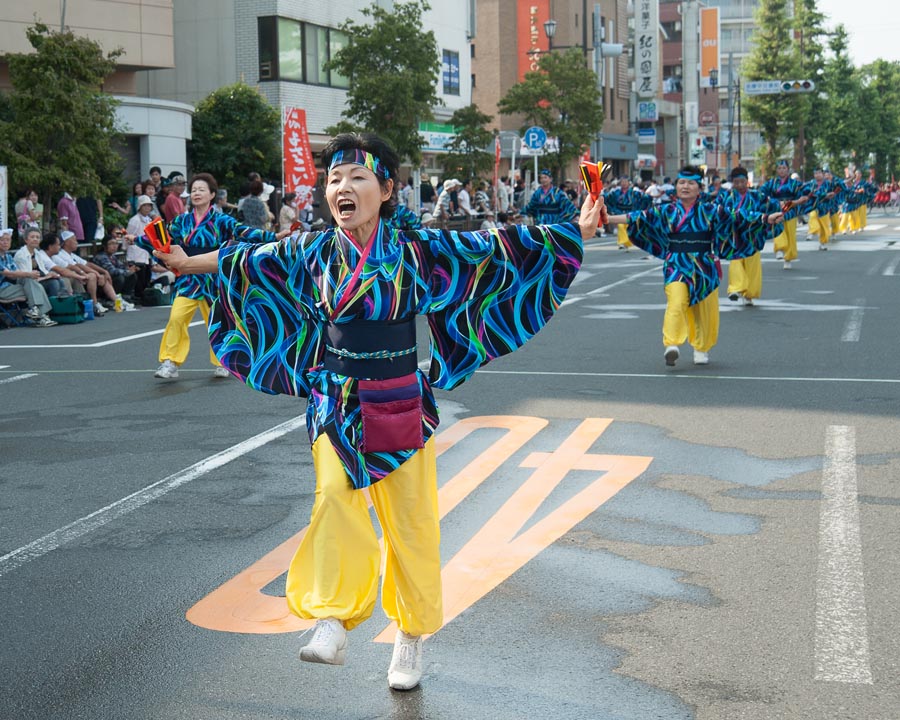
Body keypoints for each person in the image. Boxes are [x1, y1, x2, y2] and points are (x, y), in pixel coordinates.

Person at [154, 132, 601, 691]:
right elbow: (245, 260)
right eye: (334, 179)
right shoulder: (312, 248)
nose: (342, 187)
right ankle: (334, 616)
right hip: (334, 396)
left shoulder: (418, 250)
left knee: (409, 524)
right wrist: (186, 261)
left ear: (386, 189)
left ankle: (411, 636)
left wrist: (572, 232)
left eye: (357, 178)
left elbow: (501, 247)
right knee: (333, 501)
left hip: (397, 398)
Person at [601, 165, 782, 366]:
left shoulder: (711, 210)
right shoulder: (666, 210)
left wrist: (766, 218)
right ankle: (671, 344)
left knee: (704, 311)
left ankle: (701, 348)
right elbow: (637, 217)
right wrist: (607, 218)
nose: (685, 186)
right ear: (676, 186)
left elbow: (739, 217)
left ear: (699, 187)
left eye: (690, 183)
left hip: (704, 266)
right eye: (681, 182)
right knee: (676, 302)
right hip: (676, 264)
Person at [135, 173, 279, 380]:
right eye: (193, 190)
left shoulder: (221, 220)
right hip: (189, 278)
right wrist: (137, 239)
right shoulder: (182, 221)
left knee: (218, 322)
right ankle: (170, 361)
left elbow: (243, 231)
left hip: (213, 277)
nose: (196, 193)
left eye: (201, 189)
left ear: (212, 194)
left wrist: (273, 237)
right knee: (176, 317)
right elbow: (160, 237)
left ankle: (222, 361)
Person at [717, 167, 782, 306]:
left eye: (742, 181)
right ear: (732, 183)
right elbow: (717, 212)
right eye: (736, 182)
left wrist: (778, 211)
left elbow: (772, 206)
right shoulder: (725, 196)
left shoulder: (757, 196)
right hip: (734, 234)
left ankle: (749, 294)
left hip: (753, 233)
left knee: (753, 264)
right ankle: (735, 289)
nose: (740, 185)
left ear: (747, 181)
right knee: (735, 260)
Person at [758, 160, 809, 269]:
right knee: (778, 228)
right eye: (780, 168)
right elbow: (761, 193)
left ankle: (788, 258)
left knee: (790, 234)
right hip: (777, 208)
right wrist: (772, 202)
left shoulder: (794, 183)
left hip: (790, 209)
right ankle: (779, 248)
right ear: (777, 170)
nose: (782, 170)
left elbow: (805, 192)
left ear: (788, 170)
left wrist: (799, 200)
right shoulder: (771, 183)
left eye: (784, 168)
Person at [0, 228, 57, 326]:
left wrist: (29, 275)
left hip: (11, 287)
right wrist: (29, 274)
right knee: (33, 284)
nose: (5, 242)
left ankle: (36, 311)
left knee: (31, 282)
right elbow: (8, 274)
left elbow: (17, 272)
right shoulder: (19, 254)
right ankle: (41, 314)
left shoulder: (8, 257)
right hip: (2, 289)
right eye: (2, 240)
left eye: (8, 240)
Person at [55, 231, 114, 313]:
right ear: (66, 242)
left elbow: (87, 264)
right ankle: (94, 303)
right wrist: (94, 273)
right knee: (92, 275)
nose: (77, 242)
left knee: (102, 276)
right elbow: (76, 266)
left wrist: (104, 271)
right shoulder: (60, 254)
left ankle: (116, 300)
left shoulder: (72, 254)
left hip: (77, 276)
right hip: (70, 276)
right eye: (74, 240)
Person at [13, 228, 67, 298]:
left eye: (37, 237)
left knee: (60, 280)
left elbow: (43, 270)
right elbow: (28, 276)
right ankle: (53, 306)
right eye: (32, 237)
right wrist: (46, 277)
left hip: (39, 279)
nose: (35, 239)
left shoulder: (37, 253)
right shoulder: (21, 255)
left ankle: (63, 303)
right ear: (26, 240)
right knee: (53, 283)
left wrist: (49, 274)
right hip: (28, 282)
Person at [603, 177, 650, 250]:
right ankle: (622, 242)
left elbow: (644, 197)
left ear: (629, 183)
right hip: (620, 211)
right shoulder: (616, 192)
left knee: (629, 228)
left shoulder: (633, 192)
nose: (624, 183)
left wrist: (647, 197)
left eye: (625, 182)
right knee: (621, 226)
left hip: (630, 211)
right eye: (622, 182)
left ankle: (628, 242)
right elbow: (608, 197)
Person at [93, 233, 139, 303]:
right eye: (111, 244)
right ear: (104, 246)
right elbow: (112, 271)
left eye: (116, 243)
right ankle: (110, 298)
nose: (114, 246)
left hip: (111, 280)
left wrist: (130, 269)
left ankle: (126, 297)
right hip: (102, 284)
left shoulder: (113, 257)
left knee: (132, 275)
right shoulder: (101, 256)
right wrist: (128, 271)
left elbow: (121, 266)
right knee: (120, 277)